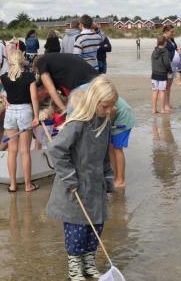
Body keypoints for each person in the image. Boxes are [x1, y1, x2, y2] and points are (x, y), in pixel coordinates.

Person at [46, 75, 117, 280]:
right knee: (77, 229)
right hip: (74, 187)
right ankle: (75, 268)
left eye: (111, 106)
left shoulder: (105, 122)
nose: (108, 110)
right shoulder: (77, 122)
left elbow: (105, 155)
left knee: (96, 226)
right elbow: (57, 149)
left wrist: (108, 179)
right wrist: (70, 178)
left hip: (95, 185)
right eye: (105, 106)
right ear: (94, 101)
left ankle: (88, 263)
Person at [0, 50, 40, 192]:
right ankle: (28, 185)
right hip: (25, 111)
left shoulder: (5, 77)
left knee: (12, 151)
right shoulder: (29, 76)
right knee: (25, 151)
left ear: (9, 62)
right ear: (23, 61)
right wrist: (37, 116)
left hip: (10, 112)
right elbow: (34, 97)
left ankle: (13, 185)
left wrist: (2, 96)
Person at [33, 53, 98, 112]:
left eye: (38, 73)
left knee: (72, 114)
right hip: (97, 80)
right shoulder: (58, 62)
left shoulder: (41, 61)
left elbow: (51, 90)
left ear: (36, 67)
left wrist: (64, 109)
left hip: (83, 85)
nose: (40, 75)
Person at [109, 97, 136, 189]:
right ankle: (115, 175)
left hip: (123, 117)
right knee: (110, 147)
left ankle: (120, 180)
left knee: (117, 148)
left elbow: (113, 109)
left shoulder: (93, 94)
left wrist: (108, 123)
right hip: (114, 117)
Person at [151, 35, 172, 114]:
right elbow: (167, 62)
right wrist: (169, 70)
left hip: (154, 73)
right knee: (162, 91)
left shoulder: (154, 51)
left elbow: (152, 61)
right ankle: (162, 109)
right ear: (165, 43)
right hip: (162, 74)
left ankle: (153, 109)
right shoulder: (165, 51)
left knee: (154, 91)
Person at [163, 25, 179, 111]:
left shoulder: (171, 39)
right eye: (171, 32)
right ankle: (165, 105)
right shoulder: (163, 39)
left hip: (173, 65)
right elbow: (161, 52)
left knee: (169, 86)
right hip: (168, 65)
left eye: (173, 32)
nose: (173, 33)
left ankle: (167, 103)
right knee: (166, 86)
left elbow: (174, 49)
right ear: (166, 31)